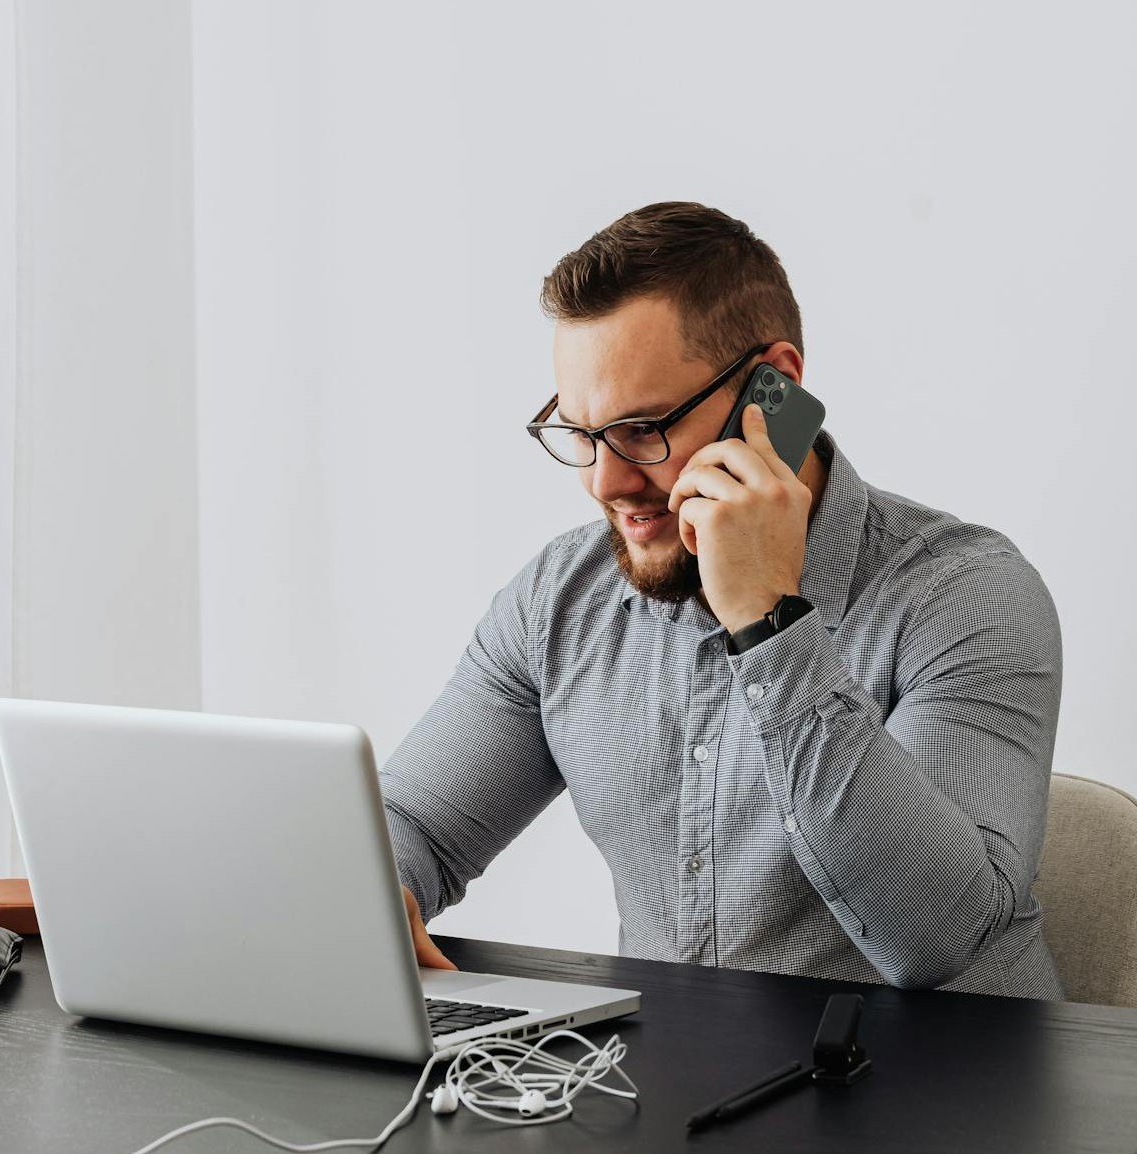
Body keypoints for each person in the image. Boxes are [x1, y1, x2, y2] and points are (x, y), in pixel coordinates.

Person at [382, 200, 1064, 1004]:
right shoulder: (557, 601)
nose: (606, 484)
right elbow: (417, 824)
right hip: (674, 1101)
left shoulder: (966, 594)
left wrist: (770, 622)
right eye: (578, 433)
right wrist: (377, 891)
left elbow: (940, 940)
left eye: (642, 431)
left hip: (950, 1105)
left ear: (772, 388)